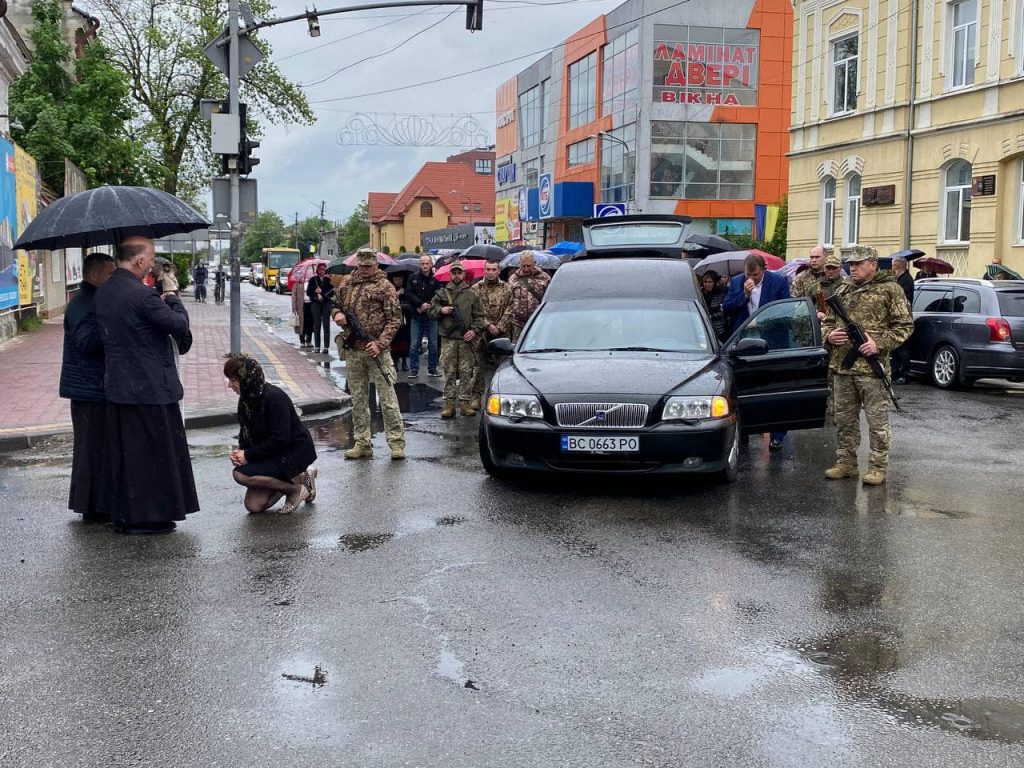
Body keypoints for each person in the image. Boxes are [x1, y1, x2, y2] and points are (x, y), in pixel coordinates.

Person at [95, 236, 199, 534]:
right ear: (139, 260)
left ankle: (126, 515)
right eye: (151, 259)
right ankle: (151, 517)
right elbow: (179, 325)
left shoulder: (104, 292)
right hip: (150, 386)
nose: (152, 264)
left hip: (119, 385)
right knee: (154, 456)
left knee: (127, 456)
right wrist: (173, 296)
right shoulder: (142, 296)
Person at [820, 246, 915, 486]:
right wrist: (829, 336)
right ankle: (846, 463)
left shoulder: (890, 289)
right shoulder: (842, 289)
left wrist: (878, 344)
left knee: (877, 422)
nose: (852, 268)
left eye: (858, 264)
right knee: (844, 420)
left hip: (872, 370)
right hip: (843, 367)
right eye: (850, 264)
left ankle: (877, 467)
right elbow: (827, 321)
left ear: (873, 265)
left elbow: (905, 326)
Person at [331, 249, 406, 460]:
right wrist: (337, 314)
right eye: (362, 265)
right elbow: (334, 304)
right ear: (357, 264)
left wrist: (380, 344)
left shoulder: (385, 286)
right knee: (358, 399)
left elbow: (394, 320)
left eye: (369, 266)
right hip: (353, 350)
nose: (365, 269)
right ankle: (362, 442)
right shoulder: (347, 283)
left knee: (388, 399)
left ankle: (396, 443)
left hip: (377, 350)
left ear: (376, 264)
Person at [59, 252, 116, 523]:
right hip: (88, 388)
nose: (113, 279)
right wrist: (113, 327)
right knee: (90, 450)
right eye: (110, 274)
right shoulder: (82, 303)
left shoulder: (95, 299)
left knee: (100, 448)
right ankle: (92, 508)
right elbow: (87, 342)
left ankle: (100, 504)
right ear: (94, 274)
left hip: (94, 385)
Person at [225, 354, 317, 515]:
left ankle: (295, 490)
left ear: (247, 379)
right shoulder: (246, 399)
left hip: (292, 453)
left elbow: (280, 439)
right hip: (272, 454)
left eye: (233, 380)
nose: (229, 385)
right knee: (253, 505)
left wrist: (248, 455)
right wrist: (241, 453)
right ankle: (302, 478)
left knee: (239, 475)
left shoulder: (274, 397)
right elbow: (246, 433)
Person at [723, 253, 792, 450]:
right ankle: (745, 431)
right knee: (745, 389)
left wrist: (763, 320)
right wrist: (744, 295)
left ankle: (777, 435)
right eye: (748, 274)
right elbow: (727, 308)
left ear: (764, 270)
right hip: (745, 342)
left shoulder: (778, 281)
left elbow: (786, 310)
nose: (751, 278)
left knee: (774, 388)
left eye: (755, 275)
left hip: (772, 341)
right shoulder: (737, 282)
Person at [429, 261, 485, 418]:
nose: (456, 276)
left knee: (467, 372)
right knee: (449, 372)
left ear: (464, 274)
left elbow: (480, 317)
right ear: (450, 275)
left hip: (466, 340)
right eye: (454, 273)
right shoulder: (441, 294)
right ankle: (449, 404)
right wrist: (441, 310)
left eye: (459, 273)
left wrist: (474, 331)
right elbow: (431, 312)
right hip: (448, 340)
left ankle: (465, 403)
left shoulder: (472, 294)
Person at [471, 260, 513, 410]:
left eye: (493, 269)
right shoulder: (476, 288)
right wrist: (488, 324)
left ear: (498, 271)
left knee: (502, 366)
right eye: (488, 269)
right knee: (477, 366)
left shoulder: (506, 288)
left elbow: (511, 308)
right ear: (484, 270)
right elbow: (474, 310)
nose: (490, 272)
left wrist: (500, 326)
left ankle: (502, 397)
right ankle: (476, 396)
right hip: (481, 332)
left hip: (502, 332)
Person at [405, 255, 442, 378]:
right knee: (414, 344)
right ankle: (414, 369)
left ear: (431, 264)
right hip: (417, 315)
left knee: (433, 344)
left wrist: (428, 305)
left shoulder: (436, 279)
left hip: (431, 316)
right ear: (419, 265)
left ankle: (432, 368)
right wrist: (419, 304)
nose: (425, 266)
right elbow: (409, 294)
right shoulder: (412, 278)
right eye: (422, 263)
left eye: (427, 263)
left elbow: (439, 295)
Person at [508, 252, 550, 341]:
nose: (526, 269)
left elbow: (549, 300)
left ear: (535, 263)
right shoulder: (513, 278)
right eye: (523, 266)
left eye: (529, 266)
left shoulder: (544, 277)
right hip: (517, 323)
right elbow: (508, 300)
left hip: (537, 322)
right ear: (520, 264)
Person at [891, 256, 915, 384]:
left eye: (893, 265)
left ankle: (904, 374)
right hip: (897, 318)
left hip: (903, 319)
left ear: (897, 265)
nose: (892, 267)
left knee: (903, 348)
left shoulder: (906, 280)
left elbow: (902, 299)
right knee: (896, 348)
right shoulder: (900, 278)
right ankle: (895, 373)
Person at [306, 262, 335, 353]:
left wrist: (322, 292)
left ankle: (326, 347)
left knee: (326, 325)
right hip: (316, 304)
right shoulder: (313, 279)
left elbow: (332, 292)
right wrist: (316, 294)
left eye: (323, 269)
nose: (321, 271)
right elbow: (309, 292)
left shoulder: (329, 280)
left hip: (326, 304)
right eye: (320, 269)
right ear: (317, 270)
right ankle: (317, 346)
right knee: (317, 325)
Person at [699, 269, 728, 342]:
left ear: (714, 283)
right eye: (705, 282)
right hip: (703, 327)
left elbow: (723, 311)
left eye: (710, 282)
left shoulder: (721, 293)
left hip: (719, 328)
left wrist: (712, 316)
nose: (707, 284)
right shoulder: (700, 294)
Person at [390, 273, 412, 371]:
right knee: (394, 341)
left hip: (405, 320)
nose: (398, 281)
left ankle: (404, 361)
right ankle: (395, 361)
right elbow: (389, 304)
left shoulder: (407, 290)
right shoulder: (390, 290)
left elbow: (411, 305)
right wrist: (397, 294)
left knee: (405, 342)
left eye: (400, 279)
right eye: (396, 279)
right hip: (393, 319)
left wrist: (401, 306)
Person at [291, 269, 313, 348]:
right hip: (301, 307)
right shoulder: (297, 284)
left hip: (310, 305)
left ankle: (309, 341)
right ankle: (302, 341)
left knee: (310, 324)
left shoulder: (311, 283)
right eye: (301, 274)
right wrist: (294, 308)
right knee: (301, 324)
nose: (303, 276)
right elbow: (294, 296)